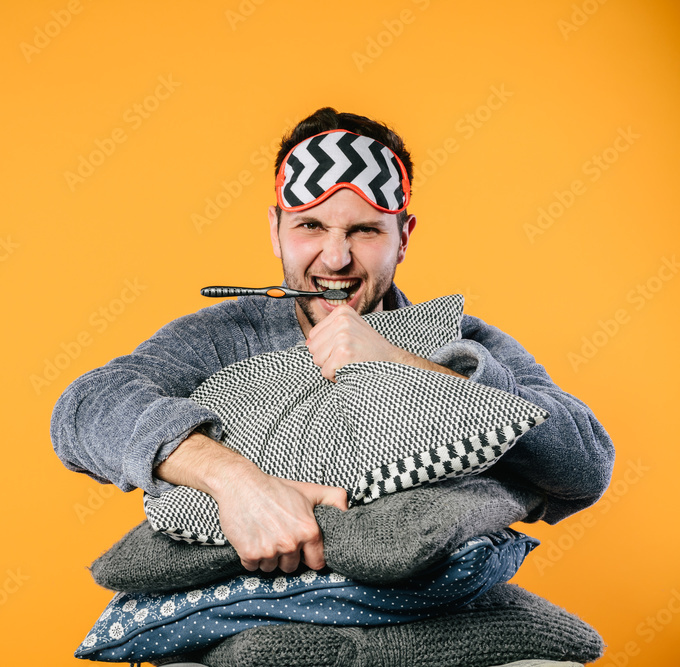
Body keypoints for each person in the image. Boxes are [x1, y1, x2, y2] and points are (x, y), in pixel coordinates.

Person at [51, 107, 614, 576]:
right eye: (311, 227)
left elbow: (586, 464)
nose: (337, 258)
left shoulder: (460, 337)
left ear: (403, 238)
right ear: (275, 231)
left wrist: (402, 364)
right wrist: (237, 482)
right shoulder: (220, 337)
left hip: (432, 612)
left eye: (365, 230)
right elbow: (83, 409)